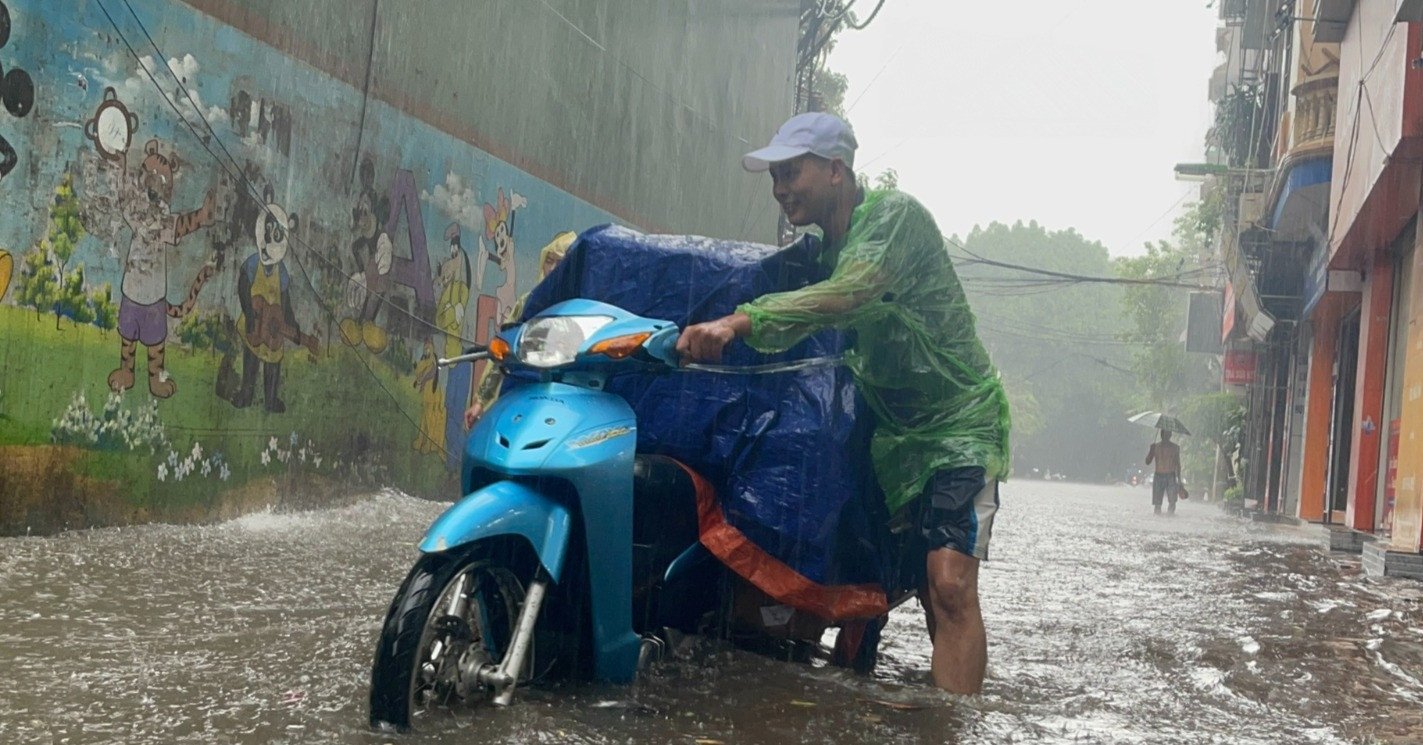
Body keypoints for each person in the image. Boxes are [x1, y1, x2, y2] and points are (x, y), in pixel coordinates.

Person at [676, 112, 1010, 695]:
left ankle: (956, 723)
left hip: (960, 426)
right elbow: (753, 282)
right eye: (774, 177)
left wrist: (737, 322)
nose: (780, 189)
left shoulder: (891, 219)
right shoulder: (821, 251)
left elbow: (845, 294)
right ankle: (948, 712)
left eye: (791, 173)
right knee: (932, 596)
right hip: (892, 441)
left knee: (951, 585)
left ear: (836, 170)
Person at [463, 231, 577, 429]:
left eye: (561, 263)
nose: (553, 268)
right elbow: (503, 349)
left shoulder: (579, 311)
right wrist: (480, 402)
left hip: (556, 406)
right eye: (550, 261)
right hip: (516, 393)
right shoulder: (527, 303)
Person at [1145, 429, 1181, 515]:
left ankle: (1170, 519)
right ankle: (1159, 519)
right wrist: (1151, 451)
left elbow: (1178, 464)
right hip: (1159, 476)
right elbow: (1147, 462)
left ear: (1170, 435)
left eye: (1168, 434)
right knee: (1157, 503)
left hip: (1171, 476)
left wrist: (1179, 479)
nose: (1166, 436)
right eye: (1165, 434)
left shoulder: (1175, 448)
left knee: (1172, 501)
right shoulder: (1155, 447)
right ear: (1161, 435)